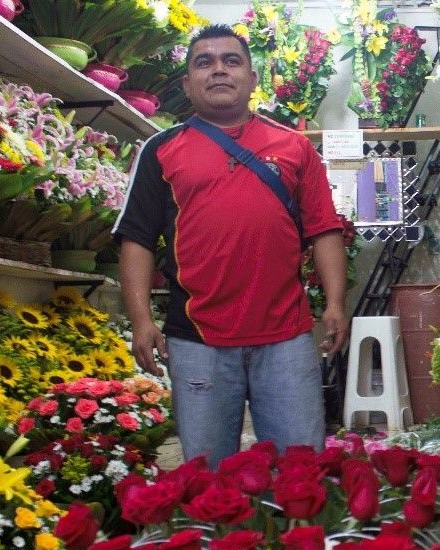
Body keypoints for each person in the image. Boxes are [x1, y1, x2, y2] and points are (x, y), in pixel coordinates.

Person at [113, 24, 349, 467]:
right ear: (188, 83)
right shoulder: (160, 150)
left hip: (286, 337)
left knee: (299, 472)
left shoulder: (296, 148)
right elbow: (137, 240)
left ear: (252, 78)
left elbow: (324, 229)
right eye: (204, 62)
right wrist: (141, 320)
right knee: (208, 478)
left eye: (231, 60)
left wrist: (335, 303)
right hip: (197, 340)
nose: (218, 70)